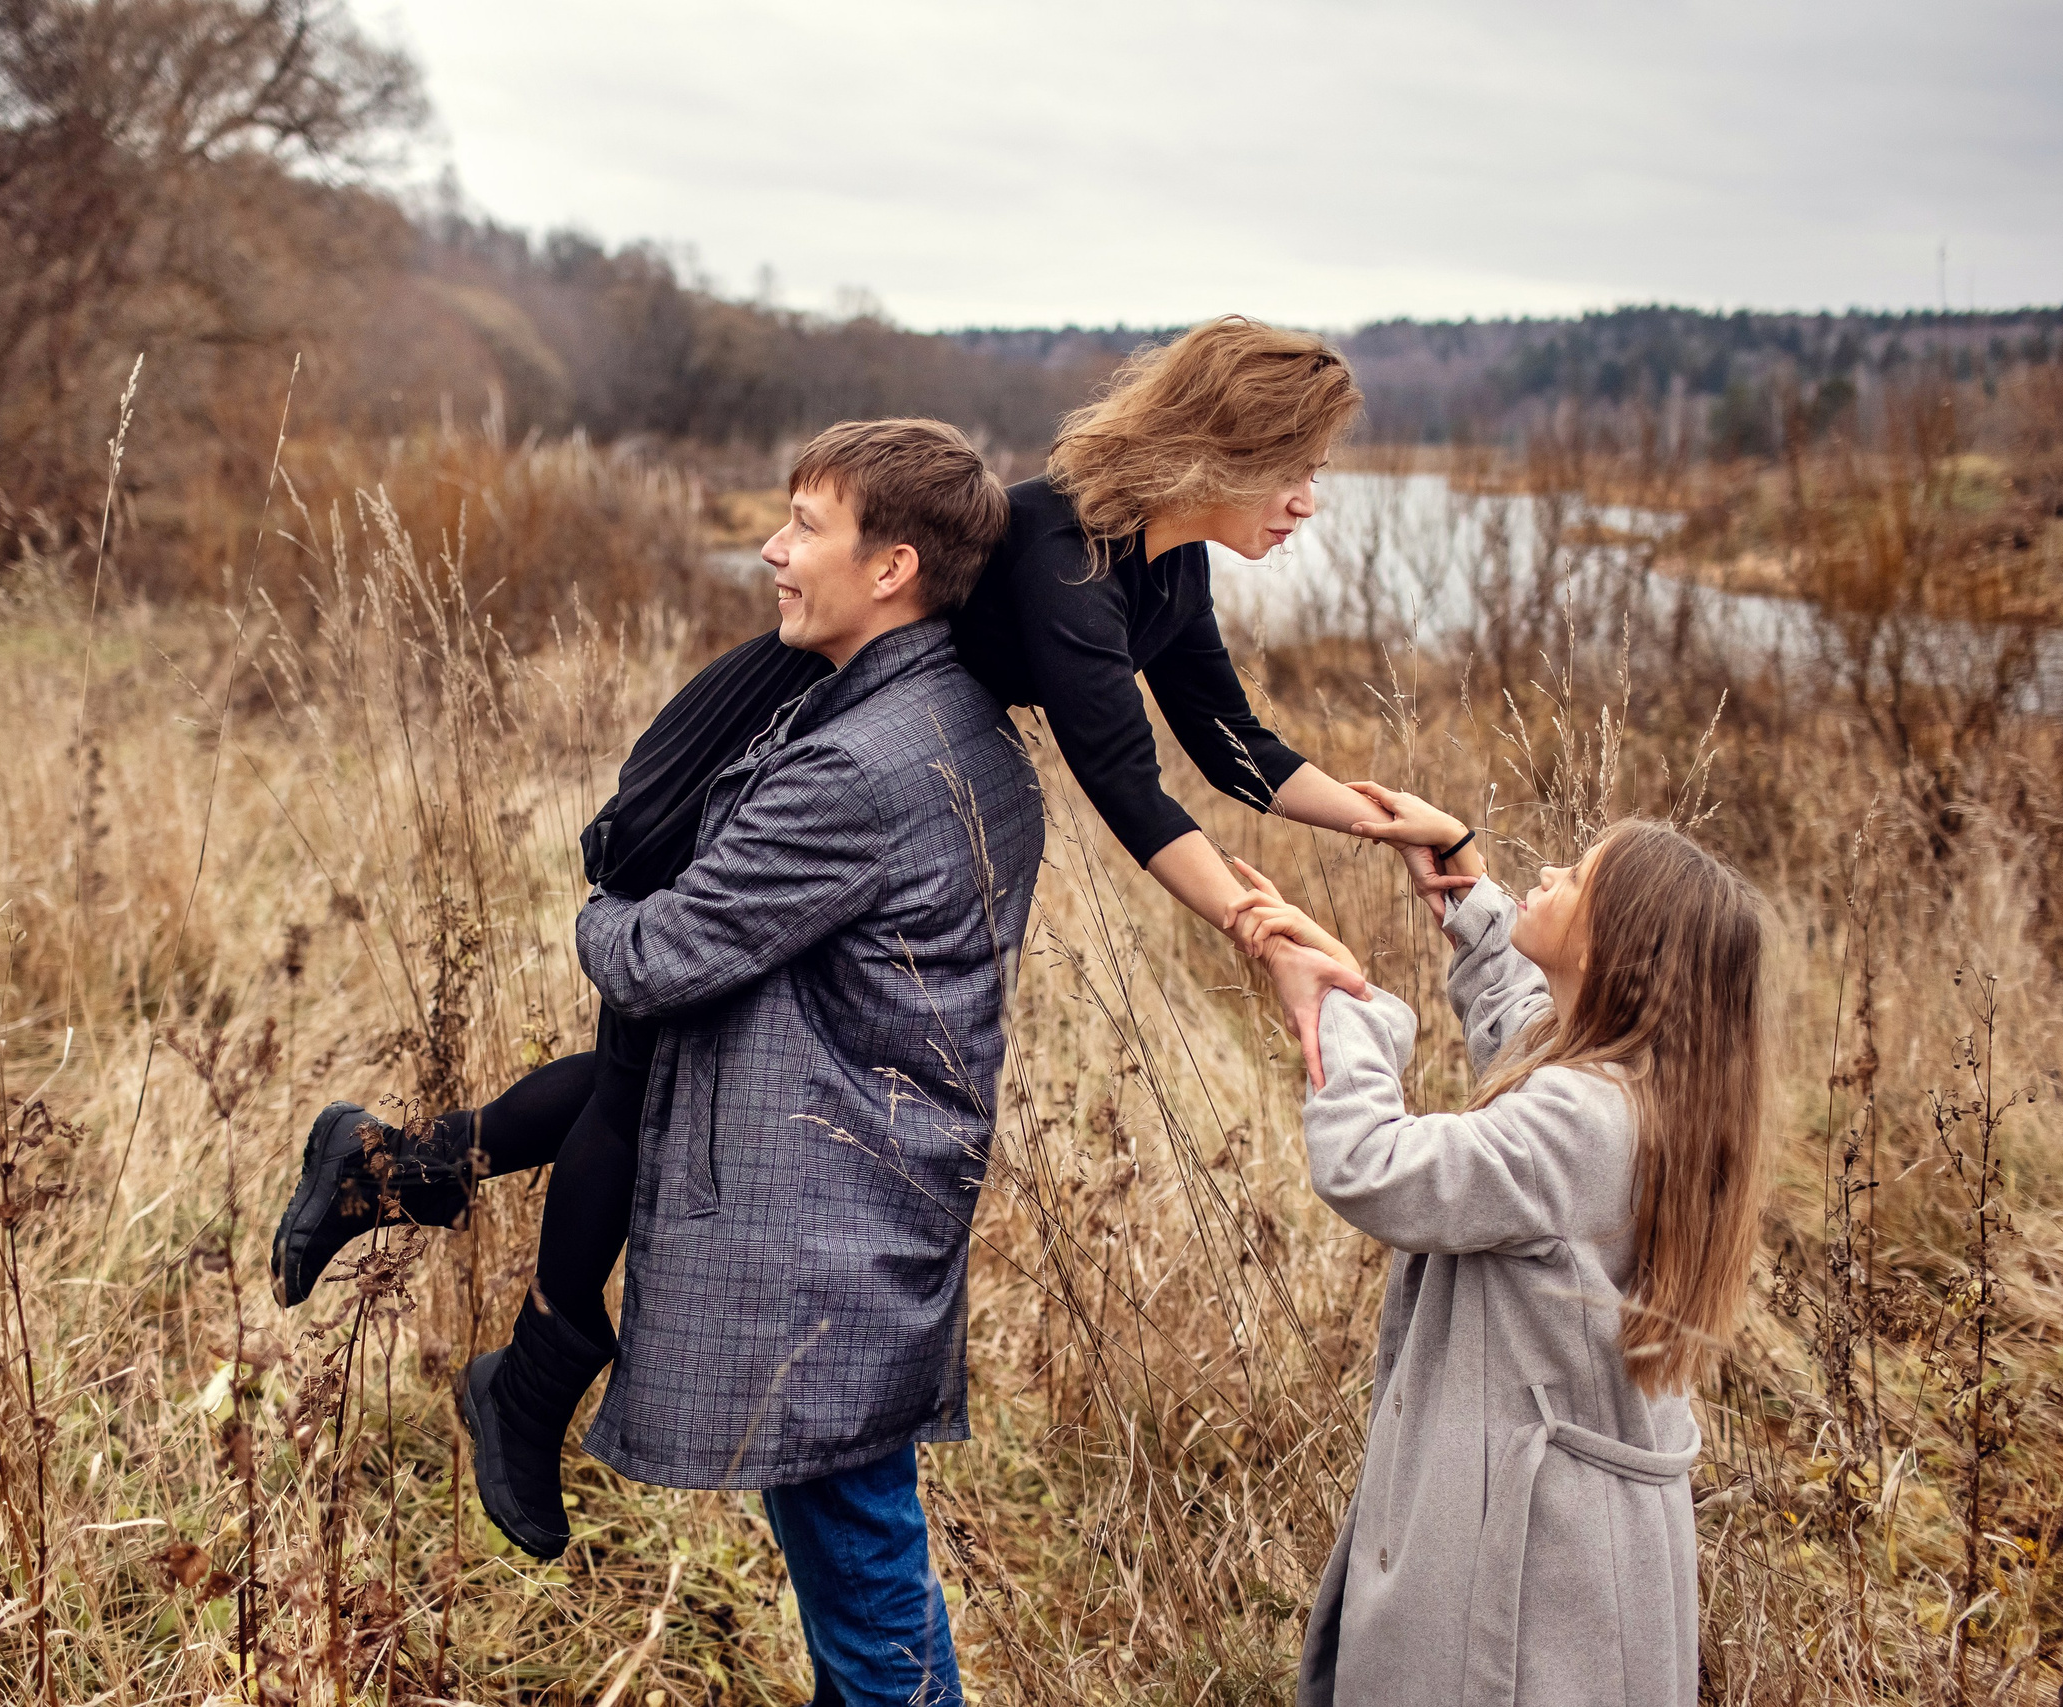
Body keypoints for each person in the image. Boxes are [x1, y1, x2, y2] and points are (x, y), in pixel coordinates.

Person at [271, 319, 1444, 1554]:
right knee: (640, 1061)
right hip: (771, 738)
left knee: (647, 1067)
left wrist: (1393, 821)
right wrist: (1265, 933)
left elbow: (1232, 744)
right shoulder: (1061, 556)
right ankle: (528, 1368)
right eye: (1295, 467)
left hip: (847, 732)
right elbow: (1126, 782)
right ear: (1220, 449)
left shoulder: (1166, 564)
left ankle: (391, 1177)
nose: (1310, 500)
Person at [475, 416, 1037, 1704]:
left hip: (823, 1225)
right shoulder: (956, 718)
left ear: (891, 566)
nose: (773, 552)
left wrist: (596, 910)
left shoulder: (857, 765)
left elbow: (657, 957)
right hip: (876, 1191)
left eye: (803, 526)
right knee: (855, 1559)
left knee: (865, 1581)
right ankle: (415, 1178)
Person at [1232, 794, 1769, 1707]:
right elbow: (1530, 1025)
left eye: (1577, 877)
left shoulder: (1588, 1120)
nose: (1547, 874)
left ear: (1612, 952)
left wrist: (1350, 1020)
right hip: (1593, 1561)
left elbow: (1375, 1165)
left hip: (1527, 1581)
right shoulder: (1641, 1090)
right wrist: (1466, 884)